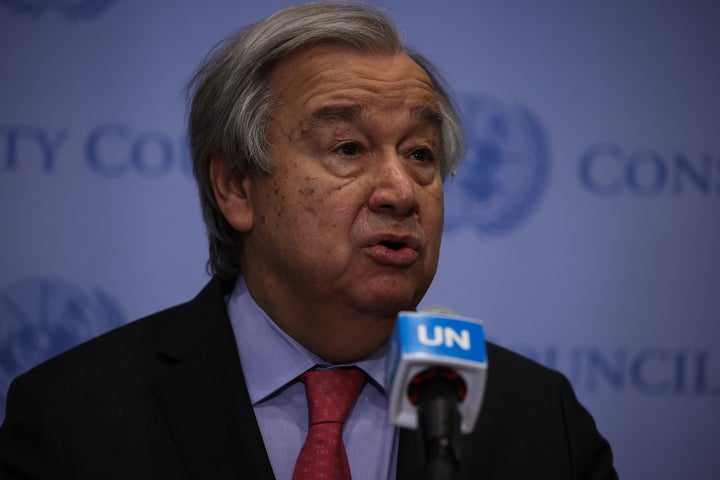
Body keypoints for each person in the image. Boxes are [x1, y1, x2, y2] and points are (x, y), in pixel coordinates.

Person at [0, 3, 617, 479]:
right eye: (348, 148)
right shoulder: (75, 418)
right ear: (237, 186)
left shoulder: (541, 420)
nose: (401, 191)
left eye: (421, 154)